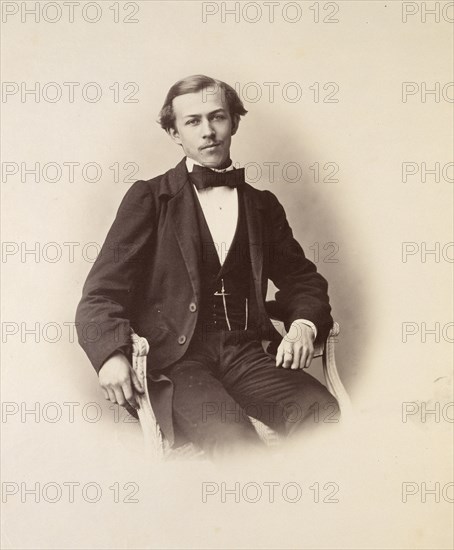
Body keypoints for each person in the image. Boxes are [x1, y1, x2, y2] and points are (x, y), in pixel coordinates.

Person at [75, 74, 339, 459]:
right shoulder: (150, 198)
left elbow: (303, 280)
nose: (208, 131)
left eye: (217, 117)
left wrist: (303, 326)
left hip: (247, 353)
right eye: (192, 121)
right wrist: (110, 355)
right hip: (179, 364)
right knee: (234, 444)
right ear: (174, 133)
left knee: (324, 416)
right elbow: (99, 294)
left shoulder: (262, 205)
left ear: (234, 122)